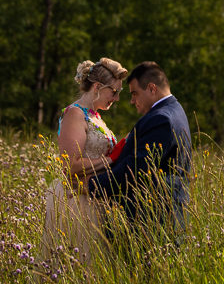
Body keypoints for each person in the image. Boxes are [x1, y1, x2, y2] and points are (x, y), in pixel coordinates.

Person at [88, 61, 191, 237]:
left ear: (152, 88)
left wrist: (91, 185)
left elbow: (136, 168)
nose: (132, 101)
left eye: (135, 94)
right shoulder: (175, 109)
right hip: (160, 217)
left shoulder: (161, 119)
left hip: (151, 222)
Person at [41, 57, 127, 263]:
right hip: (76, 200)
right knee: (79, 262)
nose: (116, 98)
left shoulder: (95, 116)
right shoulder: (75, 114)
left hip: (94, 195)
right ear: (97, 87)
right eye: (113, 92)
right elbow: (69, 165)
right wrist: (110, 160)